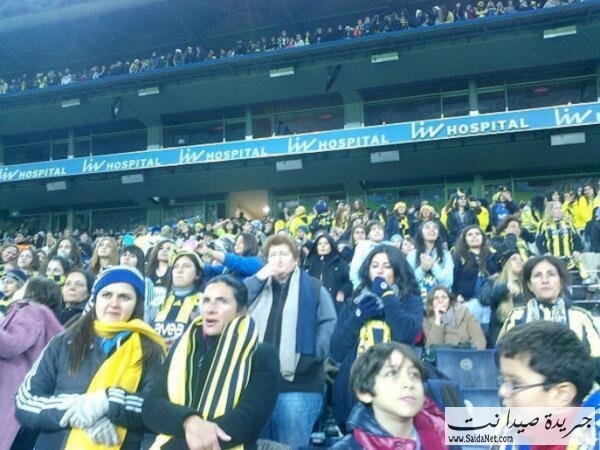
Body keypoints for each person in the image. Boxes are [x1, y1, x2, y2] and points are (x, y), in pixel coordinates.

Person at [15, 265, 166, 450]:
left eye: (124, 297)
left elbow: (155, 409)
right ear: (95, 299)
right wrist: (80, 410)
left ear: (137, 304)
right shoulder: (62, 342)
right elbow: (25, 401)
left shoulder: (151, 350)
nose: (114, 303)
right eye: (106, 295)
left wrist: (109, 401)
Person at [143, 275, 280, 450]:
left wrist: (182, 444)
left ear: (242, 312)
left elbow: (249, 418)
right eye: (206, 300)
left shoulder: (261, 353)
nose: (210, 308)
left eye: (222, 301)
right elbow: (152, 405)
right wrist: (188, 420)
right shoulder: (181, 348)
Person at [244, 234, 337, 449]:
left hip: (300, 386)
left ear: (296, 260)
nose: (278, 259)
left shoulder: (313, 287)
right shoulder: (257, 287)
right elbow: (236, 300)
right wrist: (258, 278)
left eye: (284, 254)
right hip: (258, 384)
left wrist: (312, 354)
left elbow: (329, 323)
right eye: (272, 255)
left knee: (291, 445)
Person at [330, 244, 423, 429]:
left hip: (395, 390)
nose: (379, 270)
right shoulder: (354, 301)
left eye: (387, 266)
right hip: (354, 390)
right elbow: (336, 350)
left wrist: (387, 296)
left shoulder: (411, 301)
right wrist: (357, 317)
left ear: (398, 271)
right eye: (375, 265)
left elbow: (405, 334)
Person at [497, 321, 599, 448]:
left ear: (561, 394)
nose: (502, 391)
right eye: (504, 381)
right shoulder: (510, 429)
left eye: (515, 383)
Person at [331, 342, 446, 450]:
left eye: (413, 374)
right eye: (392, 374)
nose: (409, 383)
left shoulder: (445, 426)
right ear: (364, 393)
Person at [497, 256, 600, 374]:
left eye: (551, 274)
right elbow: (501, 357)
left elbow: (597, 360)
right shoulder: (517, 317)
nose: (545, 280)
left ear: (561, 282)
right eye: (538, 275)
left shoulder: (581, 316)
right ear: (529, 285)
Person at [0, 277, 64, 450]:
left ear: (32, 290)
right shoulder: (45, 316)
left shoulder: (30, 311)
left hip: (12, 392)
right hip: (27, 399)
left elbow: (11, 345)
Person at [152, 249, 204, 350]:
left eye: (186, 266)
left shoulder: (204, 302)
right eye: (175, 267)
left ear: (198, 274)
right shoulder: (157, 301)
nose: (179, 270)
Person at [451, 225, 499, 327]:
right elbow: (454, 278)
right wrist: (456, 295)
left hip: (490, 301)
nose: (474, 236)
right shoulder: (458, 256)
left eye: (477, 234)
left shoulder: (492, 255)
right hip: (467, 301)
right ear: (464, 239)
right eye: (470, 234)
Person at [480, 249, 526, 346]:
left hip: (523, 333)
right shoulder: (494, 281)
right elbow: (484, 299)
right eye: (514, 259)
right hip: (500, 335)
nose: (519, 261)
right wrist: (505, 288)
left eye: (521, 259)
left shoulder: (528, 284)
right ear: (505, 263)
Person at [422, 285, 486, 350]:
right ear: (431, 302)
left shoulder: (464, 313)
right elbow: (431, 348)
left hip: (466, 354)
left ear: (449, 300)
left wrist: (473, 353)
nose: (440, 300)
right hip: (444, 355)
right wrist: (438, 320)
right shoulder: (427, 320)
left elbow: (479, 339)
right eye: (436, 298)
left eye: (444, 297)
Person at [303, 233, 353, 314]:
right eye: (319, 244)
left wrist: (343, 292)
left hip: (334, 304)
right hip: (313, 303)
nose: (322, 246)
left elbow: (348, 282)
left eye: (326, 243)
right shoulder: (309, 264)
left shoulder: (340, 263)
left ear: (331, 246)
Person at [407, 220, 454, 301]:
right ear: (421, 233)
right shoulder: (412, 255)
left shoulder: (446, 255)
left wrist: (433, 265)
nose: (432, 229)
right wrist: (422, 269)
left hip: (440, 301)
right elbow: (409, 283)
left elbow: (448, 283)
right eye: (427, 227)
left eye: (435, 228)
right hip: (418, 300)